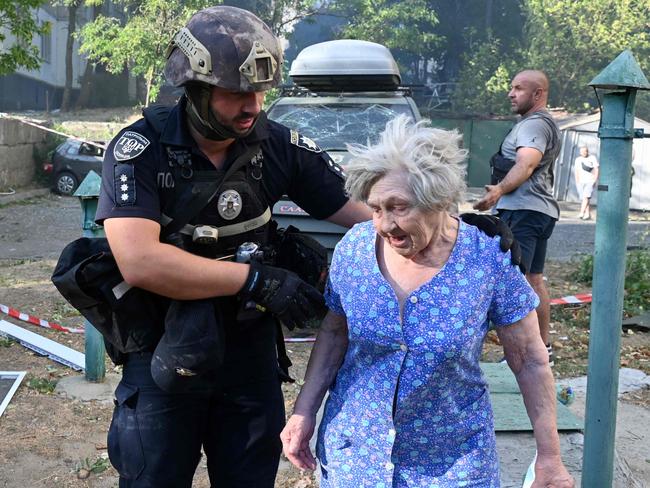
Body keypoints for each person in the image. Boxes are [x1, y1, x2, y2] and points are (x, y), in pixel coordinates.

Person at [91, 6, 518, 487]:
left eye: (258, 92)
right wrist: (254, 279)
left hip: (248, 349)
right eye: (235, 93)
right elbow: (139, 260)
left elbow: (372, 209)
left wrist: (453, 226)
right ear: (194, 88)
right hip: (163, 348)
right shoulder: (140, 149)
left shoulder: (276, 145)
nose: (252, 105)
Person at [280, 116, 574, 487]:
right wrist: (304, 412)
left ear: (438, 200)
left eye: (399, 207)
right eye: (376, 208)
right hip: (356, 455)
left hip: (453, 463)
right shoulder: (353, 249)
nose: (385, 224)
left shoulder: (486, 258)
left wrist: (549, 456)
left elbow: (530, 359)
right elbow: (334, 334)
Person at [474, 70, 561, 365]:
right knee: (533, 279)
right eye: (511, 88)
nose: (511, 94)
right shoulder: (537, 123)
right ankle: (542, 350)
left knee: (516, 281)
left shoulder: (534, 125)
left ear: (538, 94)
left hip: (523, 211)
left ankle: (525, 353)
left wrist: (498, 190)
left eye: (518, 89)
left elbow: (526, 163)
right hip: (538, 211)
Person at [574, 145, 599, 220]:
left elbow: (596, 169)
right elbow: (576, 170)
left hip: (590, 181)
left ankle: (581, 212)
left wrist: (595, 180)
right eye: (581, 151)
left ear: (587, 151)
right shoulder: (578, 159)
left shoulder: (592, 158)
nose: (583, 153)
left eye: (584, 151)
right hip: (580, 181)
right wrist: (577, 181)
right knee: (584, 198)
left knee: (586, 197)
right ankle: (587, 214)